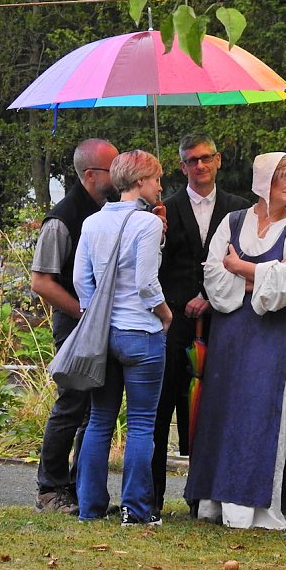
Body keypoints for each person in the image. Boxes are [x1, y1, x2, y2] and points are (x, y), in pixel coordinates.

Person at [184, 152, 286, 530]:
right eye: (284, 176)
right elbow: (213, 274)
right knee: (221, 411)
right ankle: (214, 501)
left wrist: (242, 267)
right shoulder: (233, 221)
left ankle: (252, 507)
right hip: (230, 332)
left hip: (271, 337)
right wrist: (258, 276)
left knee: (260, 410)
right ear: (264, 179)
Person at [73, 149, 172, 526]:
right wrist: (165, 315)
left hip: (104, 334)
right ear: (142, 181)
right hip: (140, 333)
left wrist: (95, 311)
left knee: (100, 420)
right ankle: (136, 509)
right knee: (143, 424)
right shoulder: (146, 224)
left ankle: (90, 507)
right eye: (157, 179)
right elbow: (148, 283)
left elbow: (83, 282)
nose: (161, 186)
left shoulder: (93, 222)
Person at [152, 134, 250, 515]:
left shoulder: (239, 211)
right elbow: (154, 270)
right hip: (173, 324)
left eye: (206, 158)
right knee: (163, 410)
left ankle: (204, 500)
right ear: (182, 166)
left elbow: (240, 264)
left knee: (212, 412)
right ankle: (151, 499)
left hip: (223, 322)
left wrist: (209, 297)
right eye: (192, 161)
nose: (200, 166)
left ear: (219, 160)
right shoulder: (165, 208)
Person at [31, 138, 119, 515]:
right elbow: (41, 282)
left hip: (101, 323)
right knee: (71, 404)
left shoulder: (112, 210)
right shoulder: (63, 219)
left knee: (94, 409)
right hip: (74, 325)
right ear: (90, 175)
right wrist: (85, 314)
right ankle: (50, 488)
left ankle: (80, 487)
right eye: (111, 169)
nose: (118, 175)